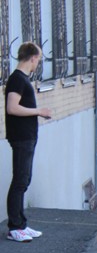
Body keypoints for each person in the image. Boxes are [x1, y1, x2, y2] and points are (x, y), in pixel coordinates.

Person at [4, 42, 52, 242]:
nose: (38, 63)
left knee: (24, 180)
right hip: (21, 137)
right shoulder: (17, 79)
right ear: (32, 58)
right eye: (38, 59)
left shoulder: (22, 79)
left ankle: (21, 224)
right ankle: (15, 227)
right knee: (20, 180)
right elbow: (12, 108)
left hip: (27, 136)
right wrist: (39, 111)